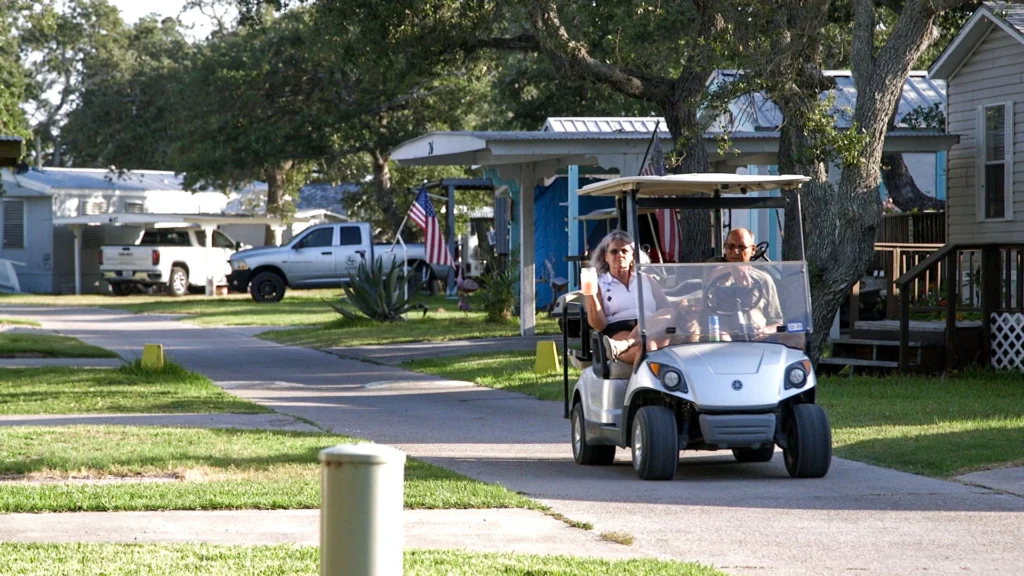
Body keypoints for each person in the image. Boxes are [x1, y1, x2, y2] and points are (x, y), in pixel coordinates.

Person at [582, 230, 673, 364]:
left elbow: (667, 311)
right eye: (614, 252)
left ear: (633, 256)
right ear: (605, 257)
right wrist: (590, 294)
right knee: (648, 348)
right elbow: (599, 326)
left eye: (624, 251)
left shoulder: (647, 280)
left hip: (652, 327)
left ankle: (626, 344)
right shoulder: (599, 284)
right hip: (618, 330)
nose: (619, 255)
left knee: (668, 314)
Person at [709, 228, 783, 339]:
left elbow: (777, 322)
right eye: (731, 247)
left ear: (753, 250)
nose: (735, 251)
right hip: (722, 341)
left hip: (756, 341)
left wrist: (765, 330)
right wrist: (729, 271)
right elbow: (703, 311)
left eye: (741, 247)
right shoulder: (714, 275)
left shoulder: (764, 280)